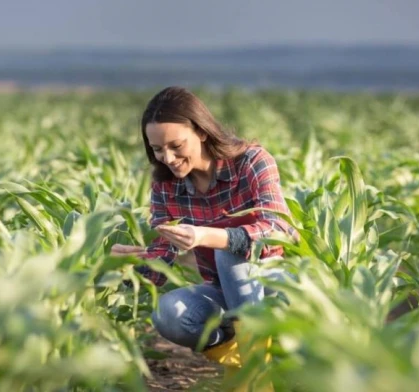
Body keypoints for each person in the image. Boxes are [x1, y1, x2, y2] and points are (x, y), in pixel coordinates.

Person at [111, 86, 297, 391]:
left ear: (201, 132)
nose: (168, 158)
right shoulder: (167, 187)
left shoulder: (251, 162)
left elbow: (279, 228)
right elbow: (162, 257)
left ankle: (254, 378)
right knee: (169, 314)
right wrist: (121, 265)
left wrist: (209, 236)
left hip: (277, 285)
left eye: (176, 145)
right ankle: (247, 356)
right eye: (157, 149)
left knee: (227, 249)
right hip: (226, 292)